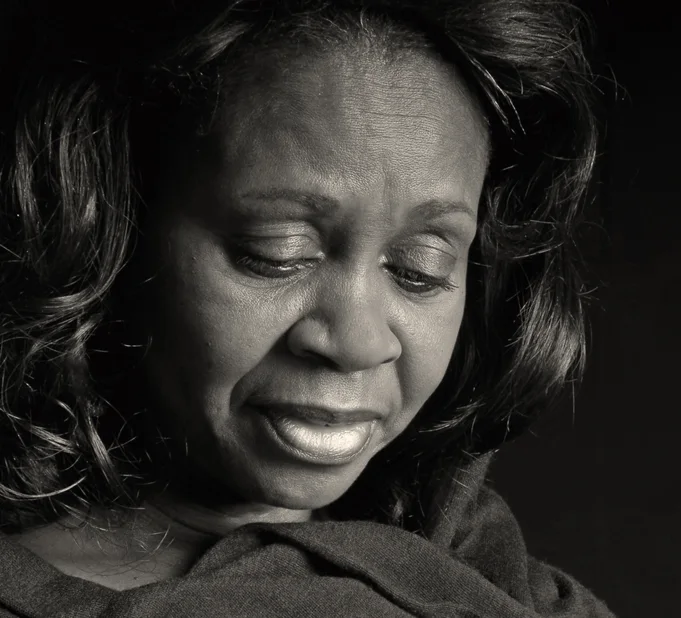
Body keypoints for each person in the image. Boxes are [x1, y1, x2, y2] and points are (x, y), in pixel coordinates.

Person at [0, 0, 613, 615]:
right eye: (279, 253)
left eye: (419, 270)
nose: (356, 342)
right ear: (113, 234)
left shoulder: (515, 595)